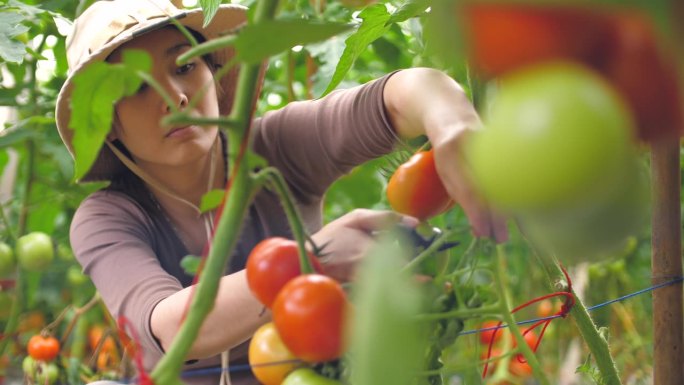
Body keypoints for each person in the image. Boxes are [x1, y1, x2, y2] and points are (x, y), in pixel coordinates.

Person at [55, 0, 506, 384]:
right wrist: (311, 259)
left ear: (215, 70)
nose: (174, 97)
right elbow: (169, 327)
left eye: (185, 66)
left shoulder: (275, 146)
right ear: (107, 125)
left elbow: (396, 97)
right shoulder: (108, 217)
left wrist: (451, 123)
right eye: (135, 87)